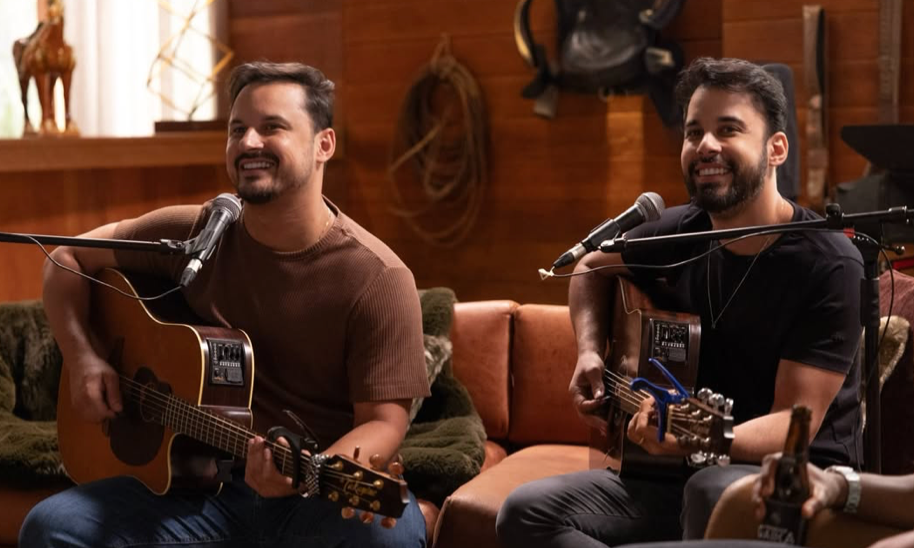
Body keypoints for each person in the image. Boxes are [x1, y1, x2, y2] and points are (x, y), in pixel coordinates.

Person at [20, 61, 431, 548]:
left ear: (324, 145)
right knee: (51, 527)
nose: (249, 142)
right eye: (238, 130)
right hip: (196, 491)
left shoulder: (378, 279)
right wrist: (83, 359)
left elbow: (383, 422)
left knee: (389, 539)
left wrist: (306, 474)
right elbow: (65, 257)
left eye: (272, 127)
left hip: (312, 496)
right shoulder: (197, 234)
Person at [496, 57, 865, 547]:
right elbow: (591, 267)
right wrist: (588, 352)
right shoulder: (680, 231)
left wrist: (692, 436)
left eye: (728, 129)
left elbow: (791, 424)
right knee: (525, 512)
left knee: (708, 489)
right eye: (694, 133)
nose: (705, 145)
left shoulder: (830, 263)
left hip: (789, 485)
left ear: (776, 148)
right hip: (678, 474)